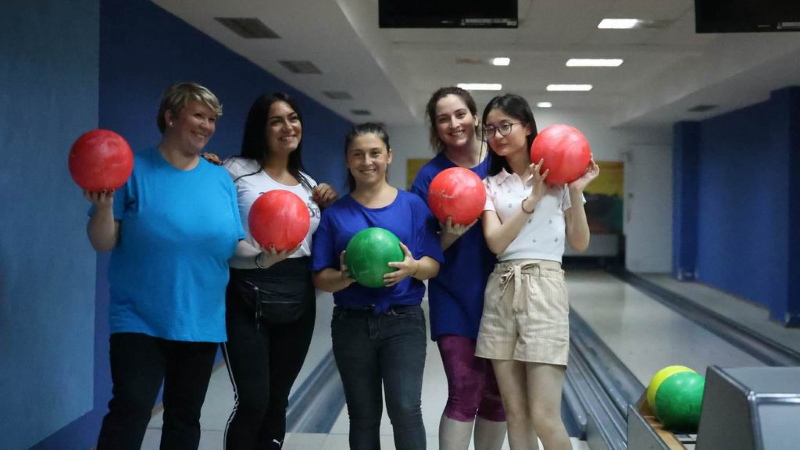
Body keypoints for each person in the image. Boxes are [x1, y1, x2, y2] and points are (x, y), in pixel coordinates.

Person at [85, 82, 263, 449]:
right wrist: (103, 207)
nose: (207, 126)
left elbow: (232, 246)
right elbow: (103, 242)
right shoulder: (132, 170)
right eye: (199, 115)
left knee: (184, 417)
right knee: (131, 409)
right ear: (170, 117)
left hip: (201, 319)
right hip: (139, 318)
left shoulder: (219, 179)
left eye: (212, 119)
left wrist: (264, 256)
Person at [477, 94, 599, 450]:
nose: (497, 135)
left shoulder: (561, 178)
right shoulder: (490, 185)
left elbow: (580, 242)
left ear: (527, 126)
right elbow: (496, 242)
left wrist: (575, 191)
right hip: (502, 289)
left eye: (505, 126)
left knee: (544, 416)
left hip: (545, 287)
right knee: (515, 414)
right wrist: (531, 200)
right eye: (490, 129)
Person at [312, 123, 444, 450]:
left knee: (406, 410)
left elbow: (433, 264)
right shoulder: (335, 214)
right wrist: (345, 277)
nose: (367, 161)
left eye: (374, 153)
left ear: (389, 156)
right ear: (347, 160)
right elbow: (320, 276)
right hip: (351, 324)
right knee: (363, 416)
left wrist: (413, 268)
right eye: (358, 154)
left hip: (404, 322)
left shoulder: (413, 206)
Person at [221, 92, 337, 449]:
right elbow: (221, 237)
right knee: (253, 401)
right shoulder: (234, 171)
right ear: (260, 127)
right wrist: (261, 259)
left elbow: (319, 241)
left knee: (277, 400)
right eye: (276, 121)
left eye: (293, 118)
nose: (288, 127)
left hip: (298, 296)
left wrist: (329, 205)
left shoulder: (308, 183)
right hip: (246, 293)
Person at [410, 87, 507, 450]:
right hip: (453, 296)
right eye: (443, 119)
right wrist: (449, 236)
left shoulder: (501, 162)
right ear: (435, 127)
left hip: (503, 294)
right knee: (465, 390)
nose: (454, 124)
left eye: (460, 114)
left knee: (498, 394)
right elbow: (420, 249)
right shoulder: (429, 177)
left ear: (475, 116)